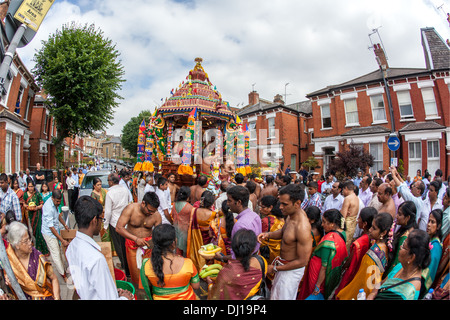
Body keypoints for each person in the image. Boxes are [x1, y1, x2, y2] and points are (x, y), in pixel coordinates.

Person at [66, 196, 134, 300]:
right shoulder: (96, 259)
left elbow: (88, 286)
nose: (101, 223)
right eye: (101, 219)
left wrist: (115, 293)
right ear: (94, 220)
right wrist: (125, 298)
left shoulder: (72, 247)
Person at [258, 184, 312, 300]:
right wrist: (268, 235)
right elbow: (284, 231)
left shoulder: (302, 227)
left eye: (284, 204)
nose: (280, 207)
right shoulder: (290, 215)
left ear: (297, 203)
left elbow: (303, 261)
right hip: (283, 266)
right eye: (280, 203)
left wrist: (275, 268)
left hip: (290, 272)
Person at [336, 212, 393, 300]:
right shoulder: (384, 248)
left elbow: (361, 282)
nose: (370, 230)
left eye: (374, 228)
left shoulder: (372, 256)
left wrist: (344, 294)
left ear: (383, 233)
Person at [297, 209, 348, 300]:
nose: (322, 224)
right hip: (328, 274)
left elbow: (324, 267)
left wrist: (317, 286)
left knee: (312, 295)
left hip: (317, 276)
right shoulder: (342, 233)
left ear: (332, 224)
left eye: (324, 222)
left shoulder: (329, 241)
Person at [368, 229, 431, 300]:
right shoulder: (400, 266)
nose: (400, 247)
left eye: (403, 246)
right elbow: (380, 284)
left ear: (411, 257)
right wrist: (372, 294)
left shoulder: (408, 292)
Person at [142, 224, 200, 300]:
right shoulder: (187, 263)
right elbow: (196, 286)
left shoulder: (146, 265)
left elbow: (146, 287)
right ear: (174, 242)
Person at [116, 191, 161, 287]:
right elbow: (119, 228)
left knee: (149, 272)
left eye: (154, 211)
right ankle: (138, 290)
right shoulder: (130, 209)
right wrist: (136, 239)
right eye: (149, 210)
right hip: (132, 244)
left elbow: (158, 234)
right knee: (135, 272)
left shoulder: (156, 215)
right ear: (143, 203)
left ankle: (148, 290)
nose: (151, 213)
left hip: (148, 246)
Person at [5, 221, 60, 300]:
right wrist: (10, 283)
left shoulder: (37, 256)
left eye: (29, 239)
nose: (30, 243)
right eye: (26, 241)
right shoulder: (10, 261)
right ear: (16, 245)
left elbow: (54, 278)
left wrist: (57, 298)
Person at [208, 229, 267, 300]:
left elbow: (216, 295)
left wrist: (210, 284)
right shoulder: (260, 261)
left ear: (232, 248)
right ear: (253, 248)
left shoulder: (225, 273)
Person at [331, 207, 377, 298]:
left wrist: (343, 267)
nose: (357, 220)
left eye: (359, 218)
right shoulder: (372, 239)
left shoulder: (359, 243)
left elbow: (350, 263)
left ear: (364, 224)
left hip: (352, 274)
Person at [41, 189, 71, 284]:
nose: (59, 203)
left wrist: (65, 225)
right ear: (52, 198)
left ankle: (63, 269)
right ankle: (63, 276)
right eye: (57, 201)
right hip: (49, 233)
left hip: (54, 230)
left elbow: (58, 216)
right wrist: (62, 240)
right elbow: (51, 227)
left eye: (60, 201)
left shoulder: (55, 204)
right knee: (56, 255)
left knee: (59, 251)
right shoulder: (48, 207)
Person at [104, 173, 131, 278]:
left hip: (114, 222)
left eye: (108, 181)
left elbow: (108, 212)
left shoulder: (110, 193)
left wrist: (105, 226)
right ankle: (126, 265)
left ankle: (125, 266)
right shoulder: (124, 190)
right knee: (124, 245)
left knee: (119, 246)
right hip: (124, 221)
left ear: (111, 182)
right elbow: (129, 202)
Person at [226, 186, 262, 260]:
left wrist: (222, 258)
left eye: (229, 201)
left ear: (239, 202)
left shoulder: (240, 225)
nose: (227, 203)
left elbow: (239, 256)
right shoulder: (254, 215)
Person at [186, 190, 217, 272]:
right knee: (207, 252)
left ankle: (197, 267)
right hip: (207, 237)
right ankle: (207, 270)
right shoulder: (213, 214)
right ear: (211, 203)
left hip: (196, 235)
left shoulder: (194, 211)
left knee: (197, 251)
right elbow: (214, 228)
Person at [385, 201, 418, 276]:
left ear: (408, 217)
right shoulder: (409, 230)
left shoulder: (405, 237)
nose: (396, 216)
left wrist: (387, 279)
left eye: (399, 214)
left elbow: (396, 262)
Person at [390, 166, 426, 231]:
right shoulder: (415, 198)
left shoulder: (417, 202)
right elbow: (405, 186)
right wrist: (397, 174)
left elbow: (403, 191)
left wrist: (393, 176)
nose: (412, 186)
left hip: (410, 229)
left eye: (414, 186)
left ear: (418, 191)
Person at [23, 180, 47, 255]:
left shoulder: (37, 194)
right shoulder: (25, 195)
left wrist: (37, 208)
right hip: (30, 215)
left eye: (32, 186)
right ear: (27, 187)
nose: (31, 188)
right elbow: (24, 203)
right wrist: (27, 207)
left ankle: (44, 250)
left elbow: (41, 204)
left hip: (38, 215)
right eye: (29, 186)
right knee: (34, 232)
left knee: (39, 232)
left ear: (34, 187)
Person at [259, 195, 285, 265]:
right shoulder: (282, 220)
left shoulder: (265, 221)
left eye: (263, 207)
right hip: (278, 253)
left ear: (270, 207)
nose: (260, 209)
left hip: (267, 253)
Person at [340, 180, 363, 251]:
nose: (342, 192)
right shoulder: (356, 198)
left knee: (343, 245)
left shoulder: (348, 198)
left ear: (346, 188)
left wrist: (340, 229)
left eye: (343, 190)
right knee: (348, 244)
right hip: (353, 225)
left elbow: (343, 216)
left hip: (346, 225)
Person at [425, 209, 443, 288]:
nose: (428, 224)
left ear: (438, 226)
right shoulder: (429, 240)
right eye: (428, 221)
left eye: (432, 222)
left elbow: (428, 273)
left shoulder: (436, 247)